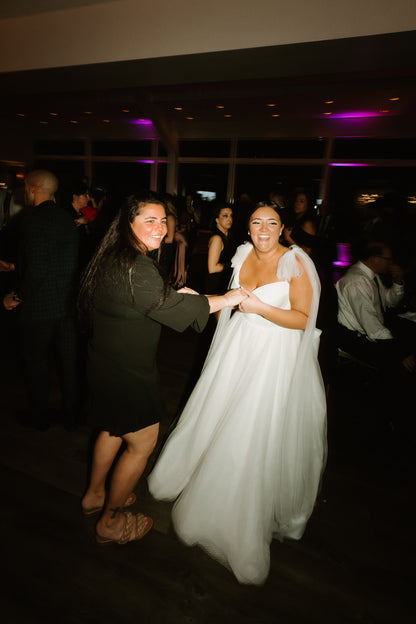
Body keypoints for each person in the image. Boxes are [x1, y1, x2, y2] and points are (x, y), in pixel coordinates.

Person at [148, 201, 327, 585]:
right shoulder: (242, 254)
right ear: (248, 229)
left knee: (250, 427)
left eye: (271, 223)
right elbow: (229, 306)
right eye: (256, 222)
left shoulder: (295, 262)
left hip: (274, 356)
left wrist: (260, 307)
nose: (263, 229)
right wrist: (196, 301)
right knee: (218, 411)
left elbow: (302, 319)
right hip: (238, 346)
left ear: (283, 228)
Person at [78, 191, 246, 546]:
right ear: (128, 224)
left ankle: (95, 494)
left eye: (162, 220)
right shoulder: (136, 266)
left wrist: (174, 295)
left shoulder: (114, 256)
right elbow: (172, 310)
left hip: (104, 362)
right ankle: (108, 521)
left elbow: (151, 298)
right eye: (149, 221)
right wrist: (230, 298)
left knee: (111, 430)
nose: (159, 228)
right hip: (128, 372)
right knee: (141, 442)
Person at [3, 170, 80, 431]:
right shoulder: (67, 219)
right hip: (67, 304)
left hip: (39, 307)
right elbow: (58, 261)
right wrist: (15, 267)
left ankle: (39, 418)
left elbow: (38, 269)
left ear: (33, 188)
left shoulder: (32, 220)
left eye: (26, 186)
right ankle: (71, 416)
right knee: (68, 365)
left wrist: (17, 295)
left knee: (37, 364)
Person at [336, 241, 415, 373]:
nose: (391, 263)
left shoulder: (372, 276)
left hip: (374, 330)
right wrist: (401, 352)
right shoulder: (356, 282)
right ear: (374, 259)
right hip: (358, 340)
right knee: (404, 363)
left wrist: (397, 281)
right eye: (388, 260)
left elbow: (389, 302)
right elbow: (373, 327)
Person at [204, 202, 236, 295]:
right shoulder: (217, 239)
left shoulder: (228, 236)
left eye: (231, 216)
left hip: (223, 281)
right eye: (225, 216)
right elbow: (212, 268)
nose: (229, 219)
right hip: (215, 284)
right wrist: (234, 264)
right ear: (217, 220)